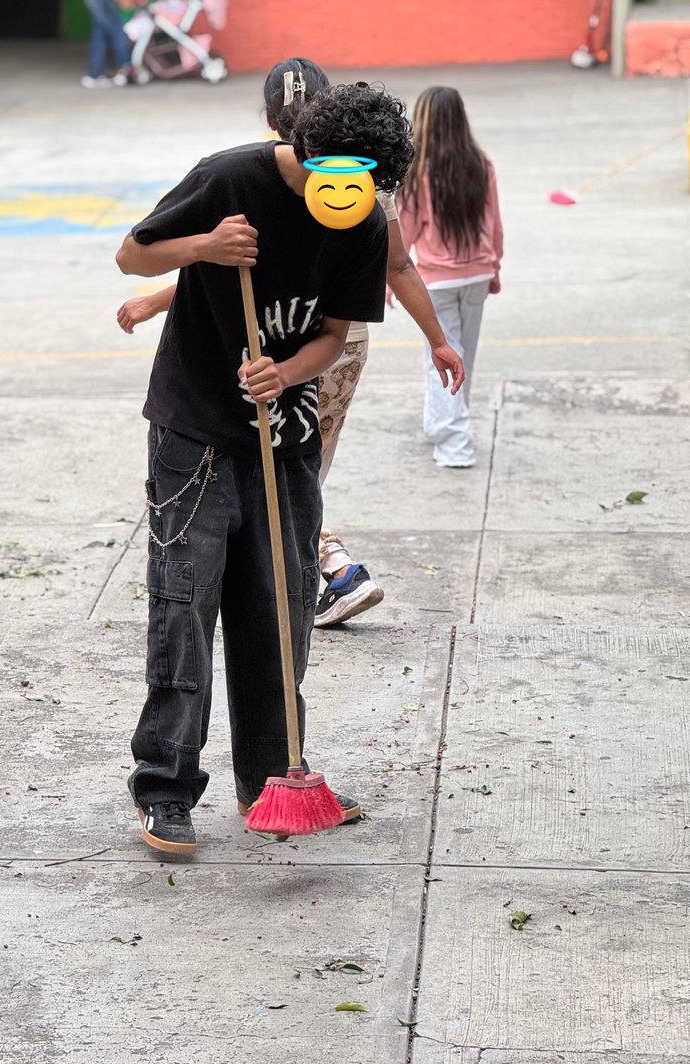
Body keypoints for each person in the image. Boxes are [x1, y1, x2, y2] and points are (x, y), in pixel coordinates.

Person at [115, 81, 415, 856]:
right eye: (338, 180)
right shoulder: (230, 178)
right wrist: (205, 248)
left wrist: (286, 374)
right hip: (194, 432)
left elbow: (334, 336)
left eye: (367, 188)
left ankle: (277, 776)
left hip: (286, 440)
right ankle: (166, 786)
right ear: (310, 154)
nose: (346, 197)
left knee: (279, 610)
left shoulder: (363, 217)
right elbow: (132, 253)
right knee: (185, 607)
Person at [117, 60, 464, 630]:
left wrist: (436, 340)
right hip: (233, 381)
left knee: (297, 477)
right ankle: (320, 568)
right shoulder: (241, 178)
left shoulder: (370, 201)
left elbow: (390, 271)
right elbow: (215, 261)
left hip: (330, 353)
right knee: (259, 487)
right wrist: (188, 267)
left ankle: (322, 567)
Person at [397, 86, 503, 468]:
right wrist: (495, 266)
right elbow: (494, 224)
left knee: (440, 360)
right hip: (476, 275)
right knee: (464, 359)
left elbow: (404, 231)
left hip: (436, 283)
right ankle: (443, 426)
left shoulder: (418, 171)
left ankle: (454, 443)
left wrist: (392, 280)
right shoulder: (481, 163)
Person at [81, 0, 163, 88]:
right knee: (116, 30)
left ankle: (94, 76)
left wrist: (138, 0)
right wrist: (122, 0)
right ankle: (125, 69)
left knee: (101, 35)